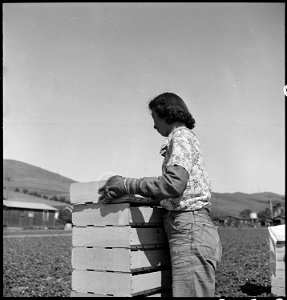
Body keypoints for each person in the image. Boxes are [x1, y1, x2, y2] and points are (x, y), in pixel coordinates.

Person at [98, 92, 222, 297]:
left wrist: (128, 185)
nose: (154, 126)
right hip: (193, 227)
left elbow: (173, 184)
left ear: (167, 114)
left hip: (190, 228)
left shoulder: (181, 137)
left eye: (155, 118)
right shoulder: (186, 139)